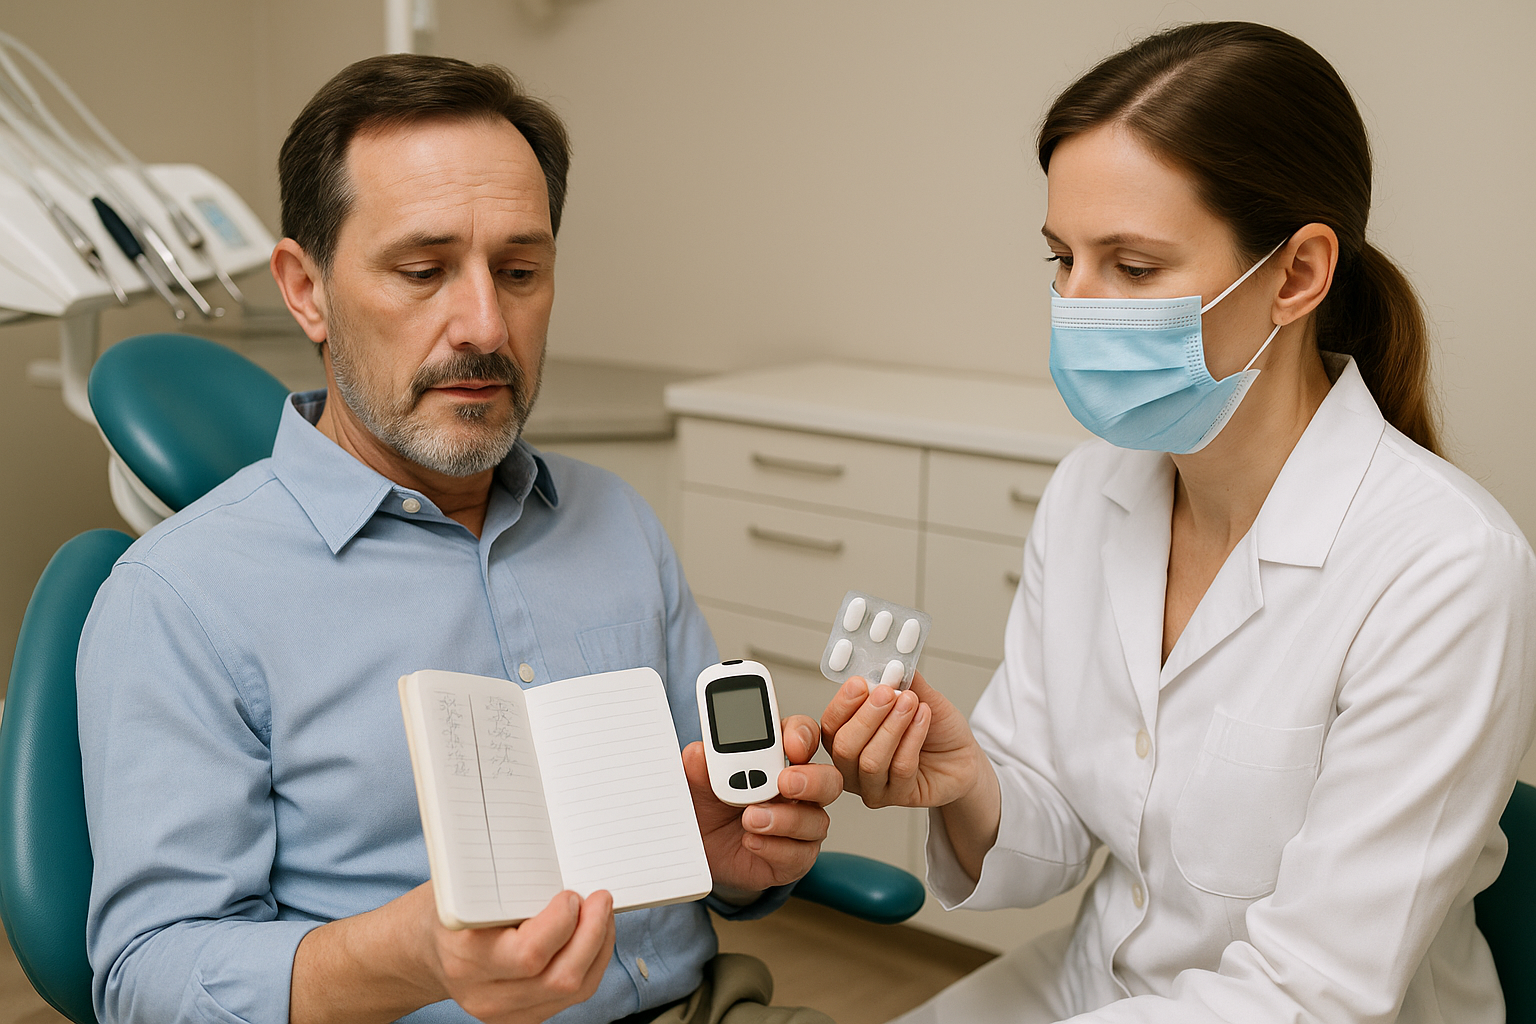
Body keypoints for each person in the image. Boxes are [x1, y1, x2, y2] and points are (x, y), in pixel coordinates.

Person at [77, 55, 841, 1024]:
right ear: (304, 288)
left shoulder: (618, 522)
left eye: (519, 271)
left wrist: (738, 861)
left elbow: (718, 831)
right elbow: (144, 980)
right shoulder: (179, 599)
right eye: (423, 270)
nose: (484, 323)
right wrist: (410, 957)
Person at [821, 21, 1536, 1024]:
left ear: (1296, 274)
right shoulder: (1089, 492)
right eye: (1062, 258)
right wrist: (967, 783)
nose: (1078, 306)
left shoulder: (1447, 568)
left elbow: (1311, 989)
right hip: (1096, 990)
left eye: (1134, 267)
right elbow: (1058, 832)